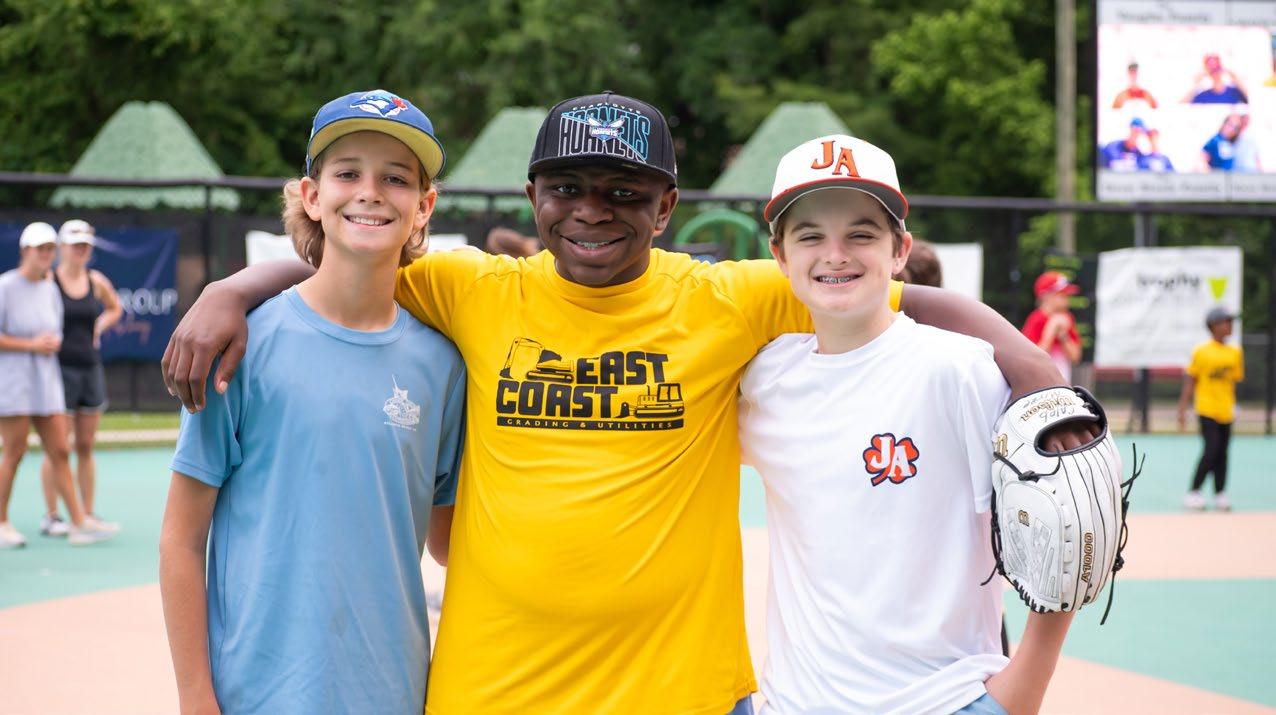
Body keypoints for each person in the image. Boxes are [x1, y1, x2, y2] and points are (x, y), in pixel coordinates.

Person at [161, 91, 1099, 714]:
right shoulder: (473, 288)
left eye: (624, 190)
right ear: (533, 195)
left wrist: (1028, 362)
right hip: (494, 692)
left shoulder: (725, 297)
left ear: (667, 206)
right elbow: (356, 260)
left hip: (682, 692)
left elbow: (897, 293)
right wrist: (229, 291)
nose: (592, 208)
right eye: (567, 187)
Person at [741, 134, 1073, 715]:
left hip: (943, 700)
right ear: (780, 256)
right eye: (810, 235)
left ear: (900, 252)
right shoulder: (763, 381)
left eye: (861, 235)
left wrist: (1021, 691)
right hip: (796, 704)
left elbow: (1072, 521)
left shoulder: (961, 371)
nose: (835, 254)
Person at [158, 89, 466, 715]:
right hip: (254, 695)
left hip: (393, 693)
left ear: (424, 206)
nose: (370, 192)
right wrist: (195, 697)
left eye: (396, 178)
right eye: (347, 173)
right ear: (311, 196)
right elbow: (181, 541)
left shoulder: (443, 364)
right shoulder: (240, 346)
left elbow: (449, 542)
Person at [0, 222, 118, 548]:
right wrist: (31, 345)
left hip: (47, 382)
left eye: (49, 249)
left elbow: (54, 332)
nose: (45, 254)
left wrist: (51, 343)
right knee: (15, 452)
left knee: (61, 451)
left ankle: (79, 522)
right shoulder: (6, 286)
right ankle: (2, 521)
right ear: (25, 251)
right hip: (15, 383)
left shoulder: (50, 290)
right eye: (40, 248)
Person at [37, 220, 123, 537]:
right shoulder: (48, 281)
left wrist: (99, 326)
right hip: (57, 371)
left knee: (85, 446)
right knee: (58, 447)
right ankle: (52, 516)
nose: (81, 250)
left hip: (90, 368)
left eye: (86, 246)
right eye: (76, 245)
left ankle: (87, 514)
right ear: (62, 247)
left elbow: (114, 308)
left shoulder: (95, 280)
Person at [1178, 306, 1243, 512]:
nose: (1230, 325)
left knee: (1223, 452)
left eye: (1231, 322)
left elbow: (1232, 382)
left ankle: (1220, 493)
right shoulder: (1202, 351)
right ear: (1214, 326)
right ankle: (1194, 492)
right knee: (1211, 450)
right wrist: (1182, 409)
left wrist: (1234, 406)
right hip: (1206, 409)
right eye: (1226, 322)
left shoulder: (1235, 352)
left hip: (1226, 411)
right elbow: (1191, 381)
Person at [1021, 271, 1082, 383]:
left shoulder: (1067, 318)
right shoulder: (1036, 319)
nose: (1067, 298)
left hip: (1063, 384)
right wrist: (1051, 328)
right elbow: (1033, 358)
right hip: (1039, 384)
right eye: (1062, 294)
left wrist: (1063, 335)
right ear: (1047, 296)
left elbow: (1075, 357)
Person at [1184, 53, 1248, 104]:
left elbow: (1250, 99)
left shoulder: (1234, 93)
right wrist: (1196, 83)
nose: (1215, 71)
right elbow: (1183, 104)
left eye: (1217, 66)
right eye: (1211, 68)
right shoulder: (1203, 96)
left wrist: (1235, 77)